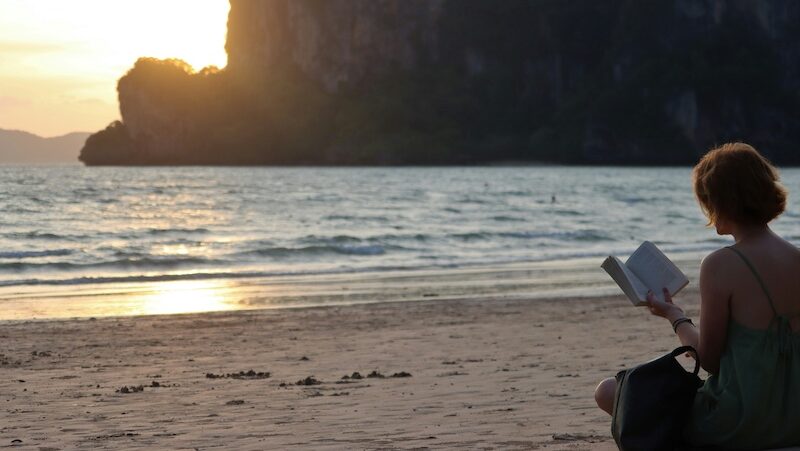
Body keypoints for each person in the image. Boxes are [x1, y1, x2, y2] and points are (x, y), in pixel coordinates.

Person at [594, 142, 800, 449]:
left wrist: (675, 316)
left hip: (738, 423)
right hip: (791, 420)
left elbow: (709, 360)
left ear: (720, 202)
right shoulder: (796, 258)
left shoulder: (721, 264)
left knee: (610, 392)